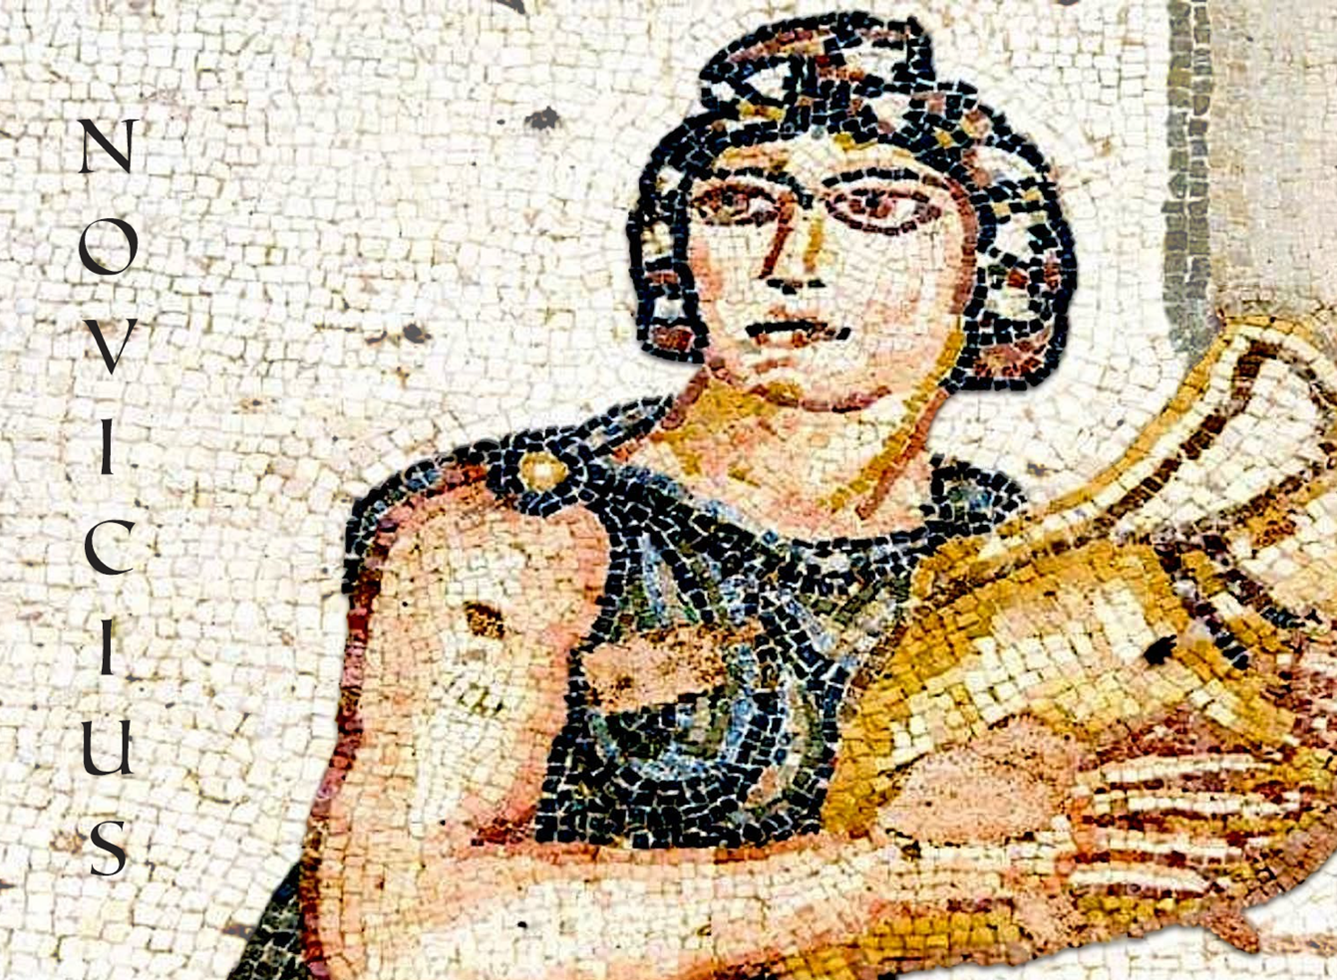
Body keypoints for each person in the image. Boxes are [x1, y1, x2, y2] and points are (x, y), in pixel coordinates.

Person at [229, 13, 1337, 980]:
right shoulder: (520, 534)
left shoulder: (1006, 552)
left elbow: (1087, 842)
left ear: (989, 266)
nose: (792, 259)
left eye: (875, 206)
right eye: (737, 203)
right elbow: (406, 939)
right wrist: (908, 874)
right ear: (679, 255)